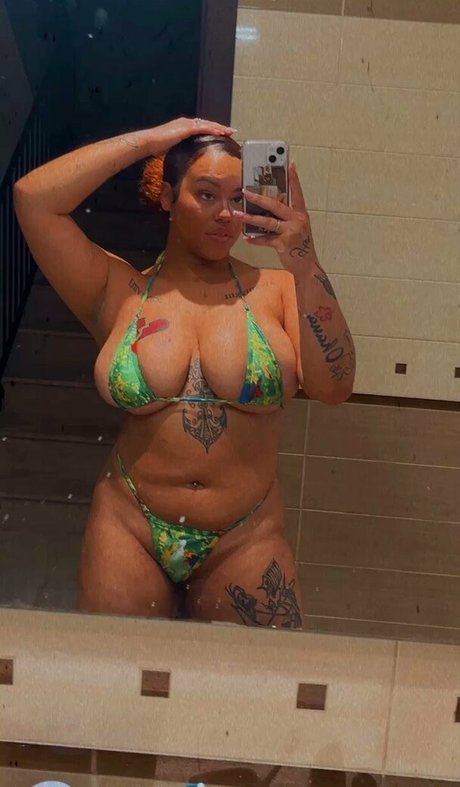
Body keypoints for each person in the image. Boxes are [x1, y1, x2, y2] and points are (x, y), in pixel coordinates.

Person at [13, 117, 355, 627]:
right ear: (169, 197)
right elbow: (34, 198)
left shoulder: (280, 290)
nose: (226, 214)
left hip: (246, 536)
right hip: (129, 528)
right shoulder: (119, 290)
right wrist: (151, 141)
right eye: (206, 194)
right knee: (111, 670)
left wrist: (305, 264)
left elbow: (335, 388)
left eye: (237, 198)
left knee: (257, 676)